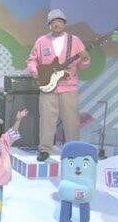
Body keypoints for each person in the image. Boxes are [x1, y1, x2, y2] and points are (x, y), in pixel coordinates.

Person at [25, 9, 90, 162]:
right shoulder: (41, 41)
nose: (57, 24)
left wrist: (85, 59)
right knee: (46, 120)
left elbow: (83, 65)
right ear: (49, 25)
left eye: (60, 22)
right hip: (48, 87)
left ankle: (73, 150)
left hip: (69, 87)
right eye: (53, 22)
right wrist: (34, 71)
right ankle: (45, 149)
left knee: (71, 121)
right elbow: (32, 59)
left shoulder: (74, 41)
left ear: (64, 24)